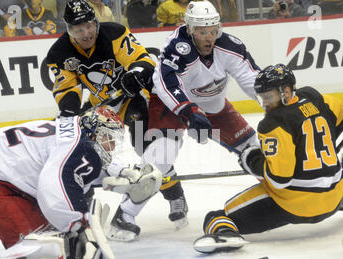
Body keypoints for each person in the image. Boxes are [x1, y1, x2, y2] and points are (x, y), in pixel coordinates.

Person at [107, 1, 261, 242]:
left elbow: (251, 79)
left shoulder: (230, 45)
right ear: (190, 29)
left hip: (214, 107)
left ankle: (292, 189)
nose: (209, 37)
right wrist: (188, 111)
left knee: (256, 149)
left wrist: (273, 103)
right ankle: (124, 215)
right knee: (158, 158)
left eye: (213, 30)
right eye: (202, 32)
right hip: (172, 106)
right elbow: (166, 83)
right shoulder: (177, 46)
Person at [0, 107, 162, 259]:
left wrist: (122, 170)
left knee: (54, 244)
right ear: (94, 132)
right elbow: (54, 187)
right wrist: (80, 225)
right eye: (108, 137)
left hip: (4, 174)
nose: (111, 146)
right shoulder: (77, 145)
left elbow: (80, 164)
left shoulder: (75, 136)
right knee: (37, 245)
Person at [193, 64, 343, 254]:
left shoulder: (273, 123)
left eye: (269, 96)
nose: (265, 103)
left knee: (216, 217)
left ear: (286, 92)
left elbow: (279, 179)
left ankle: (225, 232)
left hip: (296, 206)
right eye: (262, 97)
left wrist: (252, 159)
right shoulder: (316, 99)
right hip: (334, 198)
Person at [46, 0, 155, 156]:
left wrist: (135, 73)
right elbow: (67, 88)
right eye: (79, 30)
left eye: (89, 26)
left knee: (141, 138)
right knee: (85, 146)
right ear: (70, 30)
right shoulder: (60, 53)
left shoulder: (114, 34)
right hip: (100, 103)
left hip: (132, 96)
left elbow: (143, 58)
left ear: (96, 22)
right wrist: (70, 111)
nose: (86, 34)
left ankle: (160, 173)